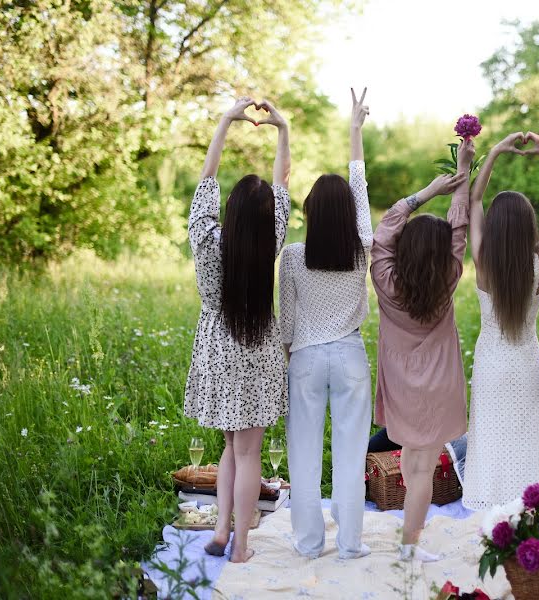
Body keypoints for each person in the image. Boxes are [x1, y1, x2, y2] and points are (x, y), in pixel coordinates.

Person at [184, 97, 291, 563]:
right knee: (248, 453)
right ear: (267, 218)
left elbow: (206, 182)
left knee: (229, 445)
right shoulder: (272, 240)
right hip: (258, 348)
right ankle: (241, 545)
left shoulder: (208, 242)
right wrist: (282, 131)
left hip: (217, 348)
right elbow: (283, 182)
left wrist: (226, 121)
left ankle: (224, 530)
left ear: (228, 210)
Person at [278, 88, 372, 560]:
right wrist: (355, 131)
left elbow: (288, 329)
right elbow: (360, 187)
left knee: (304, 455)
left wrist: (290, 360)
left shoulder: (292, 257)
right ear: (352, 217)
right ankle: (351, 545)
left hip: (307, 358)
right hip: (350, 354)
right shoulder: (362, 250)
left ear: (311, 214)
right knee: (352, 454)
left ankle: (309, 543)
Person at [370, 140, 474, 562]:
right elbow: (460, 226)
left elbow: (385, 230)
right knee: (422, 469)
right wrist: (463, 175)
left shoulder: (385, 278)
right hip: (437, 386)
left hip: (400, 384)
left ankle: (408, 542)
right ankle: (410, 546)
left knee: (412, 462)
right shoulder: (448, 276)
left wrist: (428, 192)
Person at [462, 131, 539, 510]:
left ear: (494, 226)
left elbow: (473, 198)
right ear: (526, 226)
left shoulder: (484, 260)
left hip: (492, 363)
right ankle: (534, 505)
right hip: (526, 363)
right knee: (530, 439)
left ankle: (491, 504)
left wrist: (495, 153)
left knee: (491, 437)